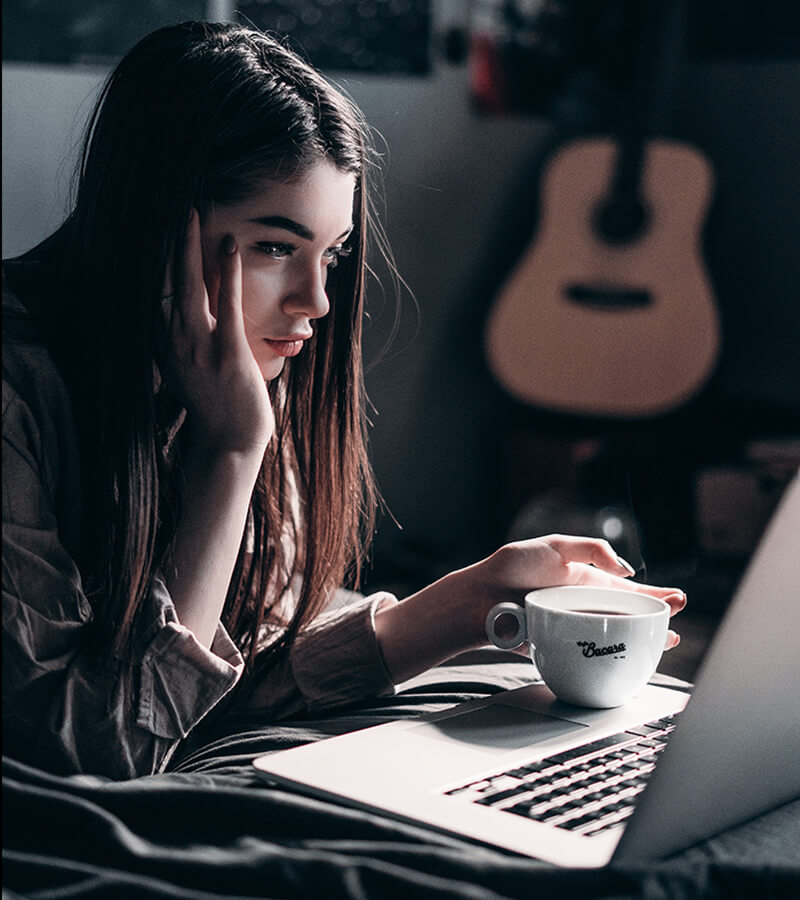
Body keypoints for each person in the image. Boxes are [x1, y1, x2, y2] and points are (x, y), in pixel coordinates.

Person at [2, 20, 686, 780]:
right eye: (274, 247)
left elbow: (227, 676)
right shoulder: (25, 397)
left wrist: (475, 598)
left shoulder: (234, 374)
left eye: (331, 253)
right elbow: (100, 754)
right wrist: (231, 452)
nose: (317, 300)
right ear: (153, 221)